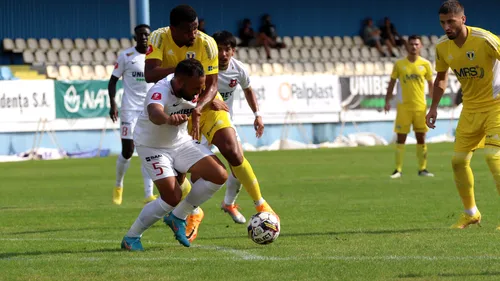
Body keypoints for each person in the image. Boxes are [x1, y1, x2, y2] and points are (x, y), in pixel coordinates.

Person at [145, 5, 277, 243]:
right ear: (174, 29)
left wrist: (200, 106)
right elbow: (150, 74)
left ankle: (260, 205)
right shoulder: (158, 37)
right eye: (188, 31)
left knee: (232, 150)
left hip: (206, 103)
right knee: (178, 183)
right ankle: (191, 212)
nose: (194, 34)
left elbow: (213, 84)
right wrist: (182, 69)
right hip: (175, 110)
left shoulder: (207, 43)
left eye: (196, 28)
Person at [121, 59, 228, 251]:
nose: (199, 91)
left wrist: (211, 102)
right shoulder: (160, 90)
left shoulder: (193, 86)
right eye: (196, 87)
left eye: (201, 86)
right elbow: (154, 113)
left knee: (219, 175)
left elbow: (204, 94)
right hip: (152, 147)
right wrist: (168, 119)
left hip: (180, 142)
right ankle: (131, 237)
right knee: (172, 196)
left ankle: (178, 216)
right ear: (179, 82)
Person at [426, 0, 500, 229]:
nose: (446, 27)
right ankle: (471, 213)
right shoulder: (442, 47)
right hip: (470, 109)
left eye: (451, 21)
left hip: (497, 105)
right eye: (442, 23)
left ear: (463, 19)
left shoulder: (485, 39)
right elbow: (440, 79)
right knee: (458, 162)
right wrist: (433, 107)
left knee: (493, 157)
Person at [211, 30, 266, 224]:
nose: (223, 54)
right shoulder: (204, 66)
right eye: (219, 49)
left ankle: (229, 203)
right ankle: (180, 208)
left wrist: (257, 115)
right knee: (194, 170)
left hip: (225, 122)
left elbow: (248, 90)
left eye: (227, 50)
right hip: (201, 123)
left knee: (238, 162)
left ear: (233, 51)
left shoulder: (239, 69)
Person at [108, 24, 157, 205]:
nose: (144, 38)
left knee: (148, 148)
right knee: (128, 151)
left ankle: (148, 194)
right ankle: (119, 185)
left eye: (146, 35)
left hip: (149, 109)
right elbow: (112, 81)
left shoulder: (155, 56)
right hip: (129, 109)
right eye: (140, 35)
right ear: (135, 37)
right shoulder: (126, 56)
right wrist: (113, 103)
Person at [384, 35, 435, 179]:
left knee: (421, 137)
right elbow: (392, 83)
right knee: (401, 138)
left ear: (421, 46)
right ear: (407, 46)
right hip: (404, 107)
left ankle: (422, 168)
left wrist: (434, 101)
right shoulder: (399, 64)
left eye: (416, 44)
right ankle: (398, 170)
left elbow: (431, 84)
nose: (413, 47)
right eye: (411, 44)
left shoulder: (425, 64)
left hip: (420, 107)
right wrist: (387, 101)